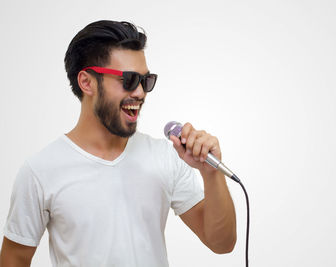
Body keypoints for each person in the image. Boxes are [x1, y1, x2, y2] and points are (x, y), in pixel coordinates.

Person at [0, 20, 236, 267]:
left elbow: (221, 243)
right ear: (87, 82)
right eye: (129, 80)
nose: (140, 93)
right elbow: (14, 258)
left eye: (146, 81)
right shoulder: (40, 171)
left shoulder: (165, 157)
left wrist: (211, 174)